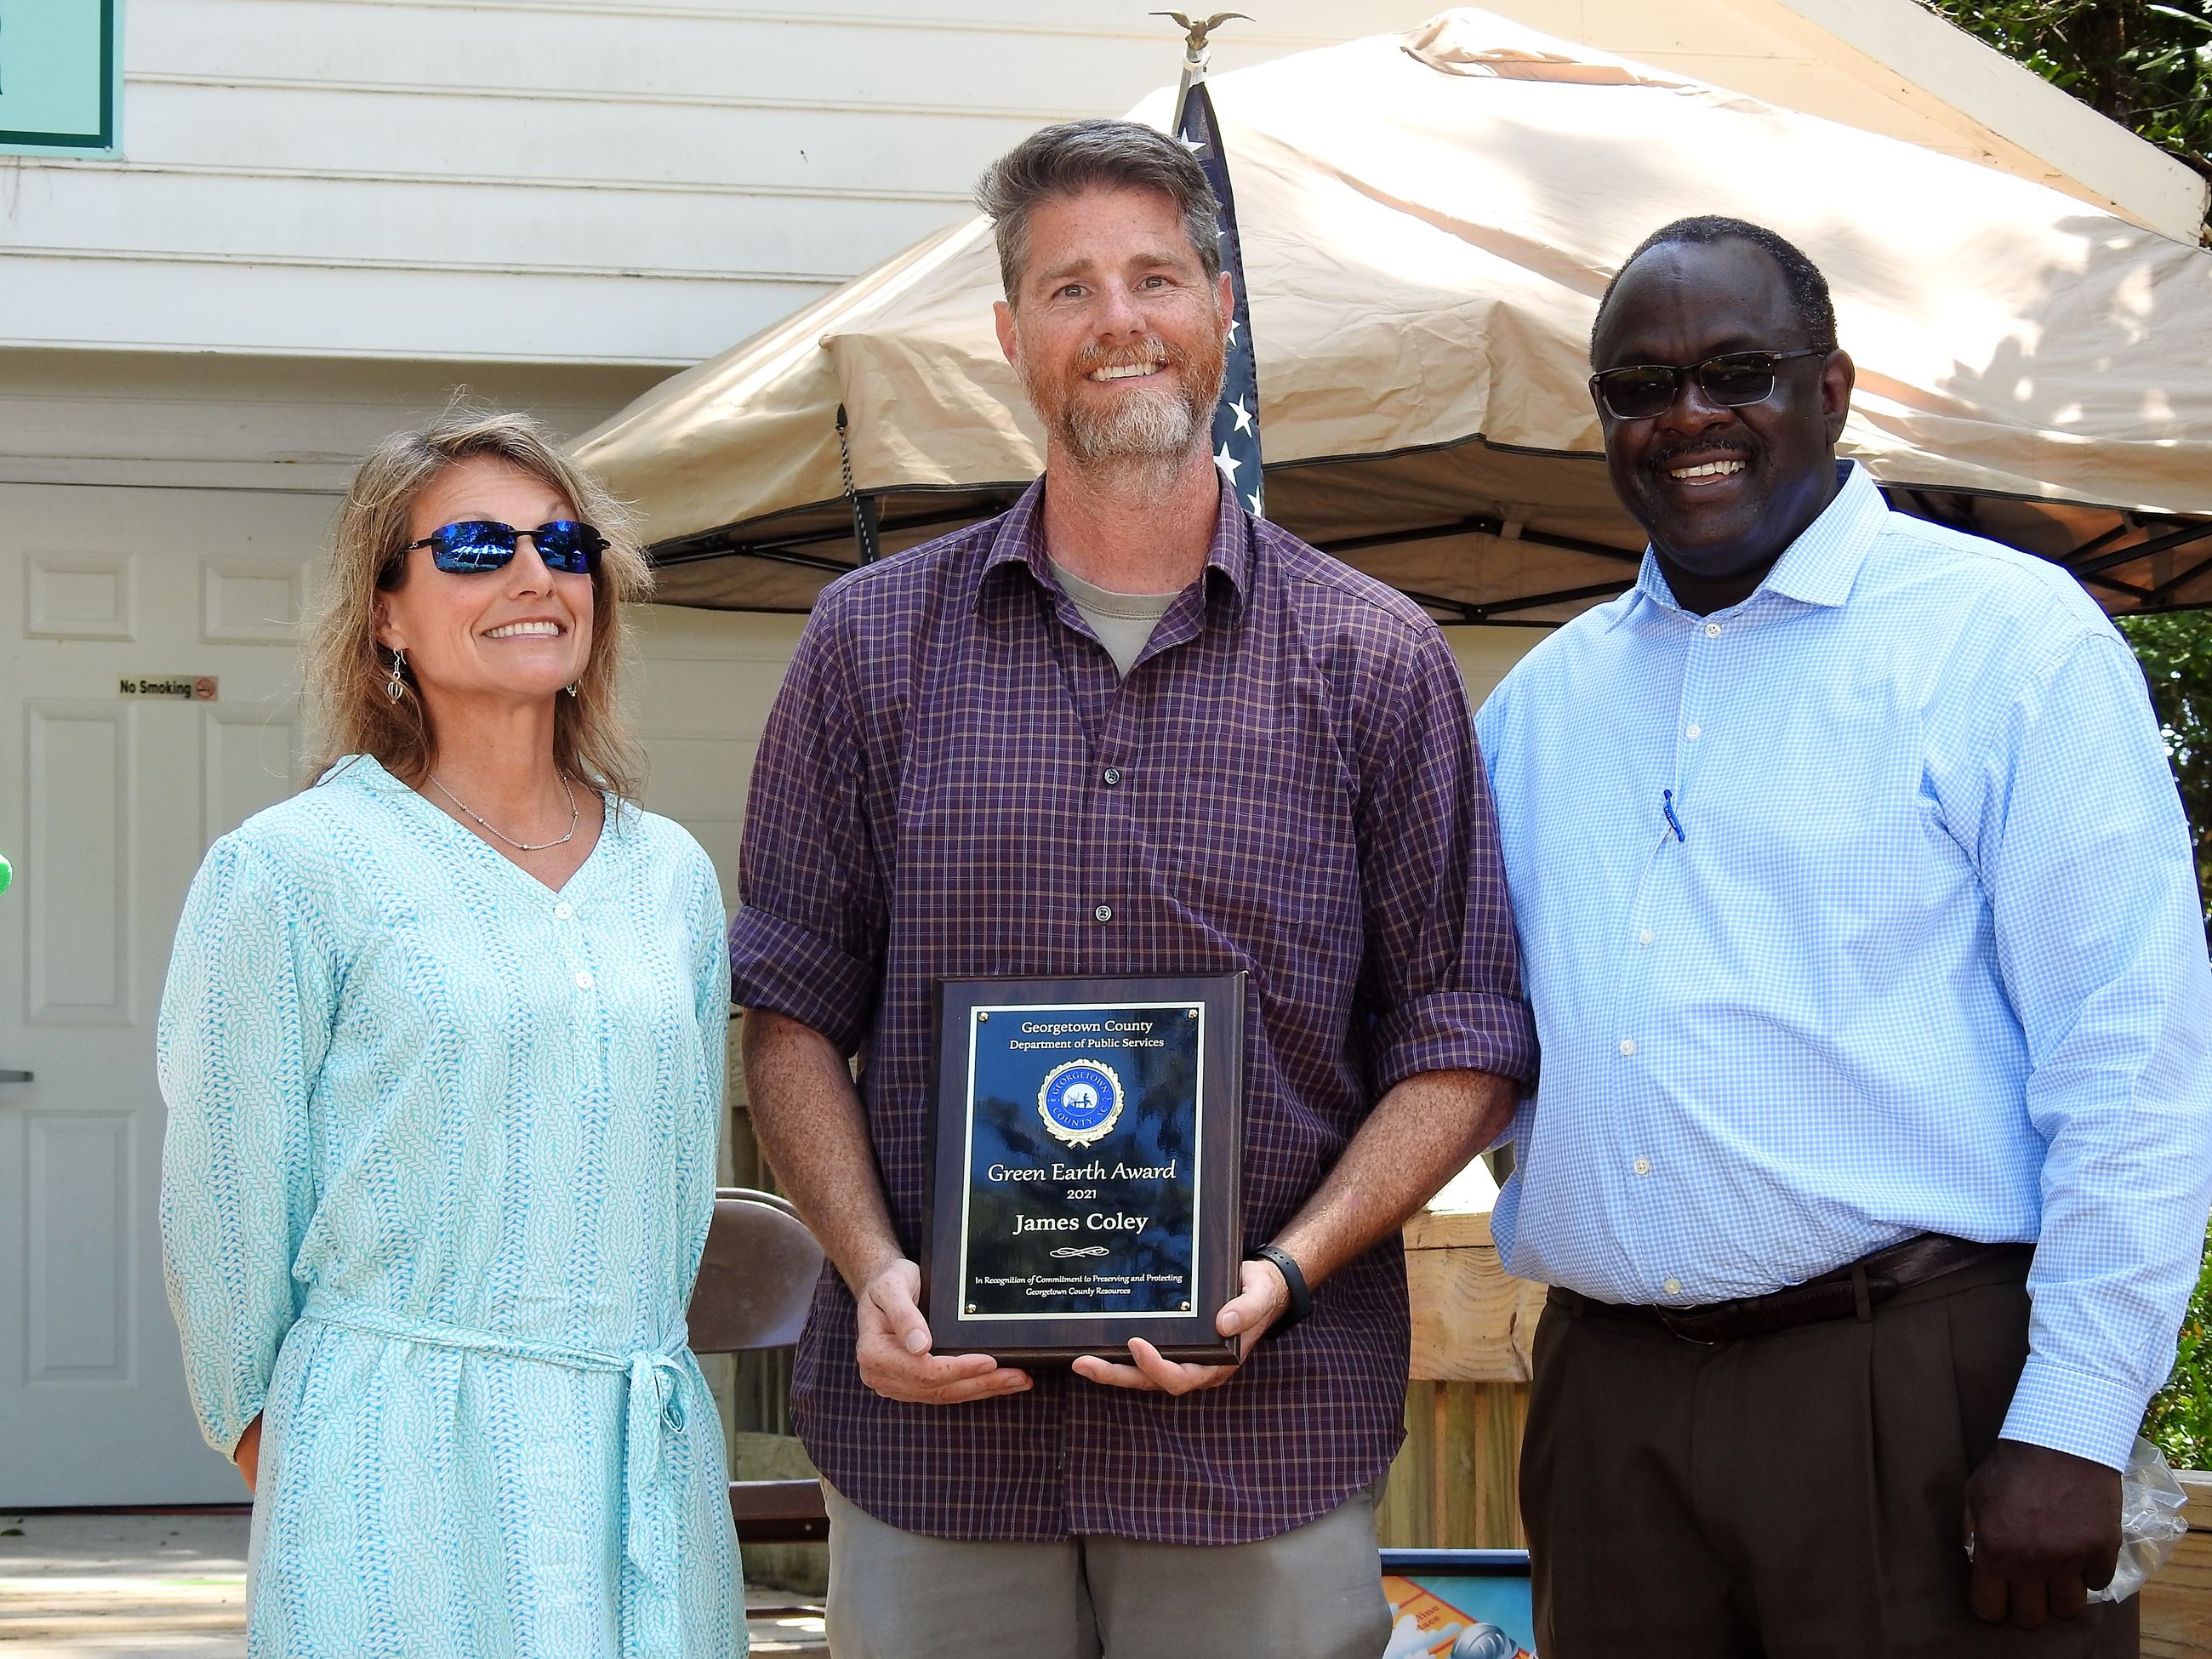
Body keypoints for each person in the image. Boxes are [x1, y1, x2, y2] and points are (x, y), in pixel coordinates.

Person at [732, 118, 1536, 1659]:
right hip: (936, 1446)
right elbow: (790, 1016)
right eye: (1068, 287)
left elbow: (1465, 1035)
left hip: (1264, 1444)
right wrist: (876, 1273)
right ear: (1009, 335)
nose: (1118, 323)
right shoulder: (867, 645)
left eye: (1155, 277)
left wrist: (1284, 1273)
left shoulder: (1373, 659)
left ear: (1222, 311)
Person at [1475, 214, 2212, 1656]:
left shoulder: (2011, 644)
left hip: (1917, 1391)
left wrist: (2075, 1417)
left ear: (1835, 385)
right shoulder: (1539, 711)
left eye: (1737, 369)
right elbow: (1470, 1033)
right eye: (1639, 386)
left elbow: (2131, 1054)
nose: (1687, 415)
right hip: (1608, 1404)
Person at [158, 411, 739, 1656]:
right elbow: (225, 1206)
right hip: (395, 1471)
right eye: (475, 546)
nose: (535, 575)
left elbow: (681, 1188)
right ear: (386, 612)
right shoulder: (292, 868)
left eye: (563, 543)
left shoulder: (671, 877)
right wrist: (318, 1456)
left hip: (636, 1469)